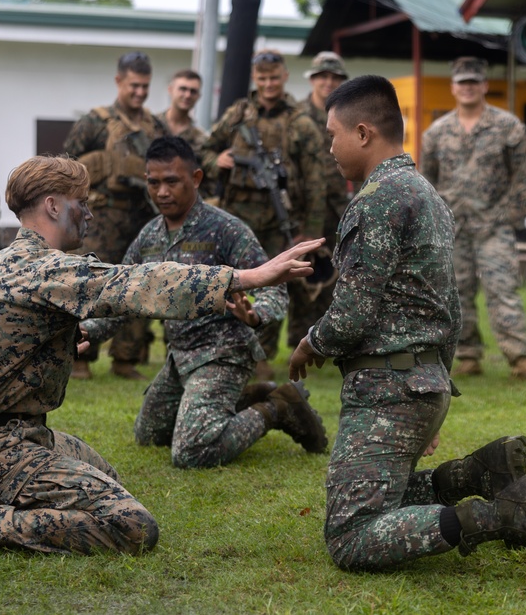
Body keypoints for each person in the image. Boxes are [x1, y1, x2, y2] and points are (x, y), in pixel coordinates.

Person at [0, 155, 323, 553]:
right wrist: (249, 277)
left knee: (110, 478)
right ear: (53, 206)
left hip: (4, 434)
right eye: (81, 202)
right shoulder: (46, 268)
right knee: (132, 525)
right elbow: (136, 284)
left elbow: (3, 341)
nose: (89, 213)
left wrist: (65, 340)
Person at [289, 75, 526, 589]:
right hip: (421, 382)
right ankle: (477, 475)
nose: (328, 147)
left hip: (388, 389)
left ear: (362, 133)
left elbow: (353, 314)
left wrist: (311, 342)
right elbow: (449, 309)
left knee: (350, 534)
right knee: (388, 493)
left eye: (332, 134)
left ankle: (504, 516)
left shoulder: (377, 199)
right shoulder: (427, 194)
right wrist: (436, 384)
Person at [82, 136, 327, 467]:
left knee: (192, 452)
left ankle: (278, 407)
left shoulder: (226, 229)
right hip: (180, 355)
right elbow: (126, 295)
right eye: (153, 183)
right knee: (150, 434)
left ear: (195, 178)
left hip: (223, 353)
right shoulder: (149, 236)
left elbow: (273, 287)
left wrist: (255, 316)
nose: (162, 192)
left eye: (172, 182)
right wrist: (89, 332)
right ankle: (255, 394)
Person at [420, 57, 526, 384]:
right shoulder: (436, 132)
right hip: (453, 227)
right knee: (457, 290)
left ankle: (521, 359)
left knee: (503, 288)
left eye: (473, 82)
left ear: (483, 85)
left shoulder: (508, 126)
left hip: (494, 225)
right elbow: (427, 181)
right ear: (453, 87)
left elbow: (524, 177)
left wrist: (510, 216)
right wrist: (434, 222)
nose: (467, 88)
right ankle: (467, 354)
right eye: (461, 82)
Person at [201, 49, 327, 380]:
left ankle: (262, 356)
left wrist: (308, 231)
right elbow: (203, 148)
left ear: (285, 77)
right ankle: (223, 349)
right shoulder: (238, 115)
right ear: (255, 79)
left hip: (278, 220)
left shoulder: (301, 122)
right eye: (262, 78)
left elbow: (316, 183)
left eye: (274, 77)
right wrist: (218, 161)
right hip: (236, 217)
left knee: (275, 286)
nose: (269, 84)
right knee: (229, 283)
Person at [63, 51, 166, 381]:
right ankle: (81, 356)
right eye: (133, 85)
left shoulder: (154, 126)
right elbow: (64, 166)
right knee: (90, 285)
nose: (139, 92)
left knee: (139, 285)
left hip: (140, 217)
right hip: (100, 219)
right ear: (119, 81)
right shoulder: (95, 121)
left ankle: (126, 357)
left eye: (145, 86)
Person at [290, 51, 351, 348]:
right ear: (313, 79)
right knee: (300, 273)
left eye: (335, 77)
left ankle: (325, 340)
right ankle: (297, 339)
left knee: (334, 274)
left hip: (336, 208)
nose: (329, 82)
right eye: (323, 76)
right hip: (302, 209)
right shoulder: (297, 115)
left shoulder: (348, 115)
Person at [157, 69, 208, 160]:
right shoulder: (151, 124)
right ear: (170, 90)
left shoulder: (201, 139)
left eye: (193, 91)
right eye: (183, 89)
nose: (188, 95)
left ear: (198, 96)